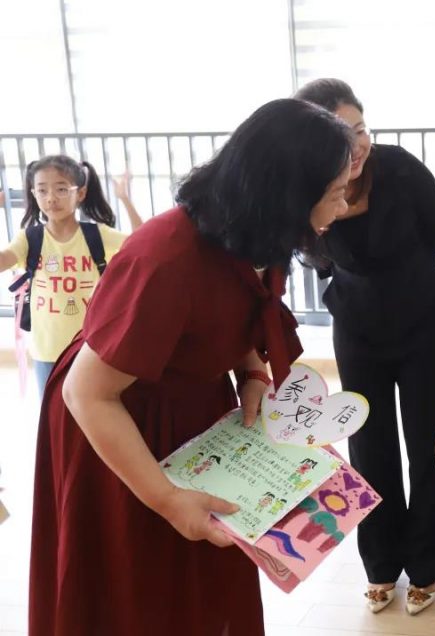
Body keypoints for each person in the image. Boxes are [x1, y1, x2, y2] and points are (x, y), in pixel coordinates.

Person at [28, 98, 354, 635]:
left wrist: (252, 372)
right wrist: (167, 498)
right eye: (337, 192)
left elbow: (236, 304)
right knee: (139, 586)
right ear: (291, 193)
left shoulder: (257, 231)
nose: (344, 205)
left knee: (209, 579)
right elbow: (86, 393)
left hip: (195, 407)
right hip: (120, 419)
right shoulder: (164, 258)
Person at [294, 78, 435, 614]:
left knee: (430, 438)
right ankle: (381, 564)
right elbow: (310, 255)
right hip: (357, 324)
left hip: (422, 318)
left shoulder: (401, 169)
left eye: (361, 129)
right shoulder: (308, 185)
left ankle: (428, 563)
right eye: (343, 134)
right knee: (368, 443)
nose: (358, 144)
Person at [0, 156, 143, 394]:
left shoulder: (96, 235)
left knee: (87, 408)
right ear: (34, 194)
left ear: (81, 193)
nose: (51, 198)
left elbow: (142, 244)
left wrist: (124, 199)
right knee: (52, 414)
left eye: (61, 189)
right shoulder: (29, 238)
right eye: (42, 190)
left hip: (90, 348)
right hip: (47, 350)